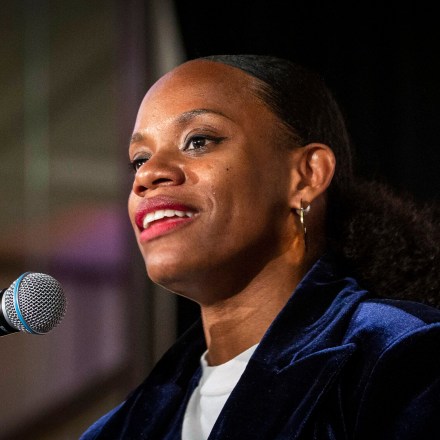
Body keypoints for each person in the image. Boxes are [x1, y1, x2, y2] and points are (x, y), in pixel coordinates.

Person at [80, 54, 440, 439]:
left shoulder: (400, 358)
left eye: (198, 140)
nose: (148, 175)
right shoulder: (117, 431)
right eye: (139, 159)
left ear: (306, 176)